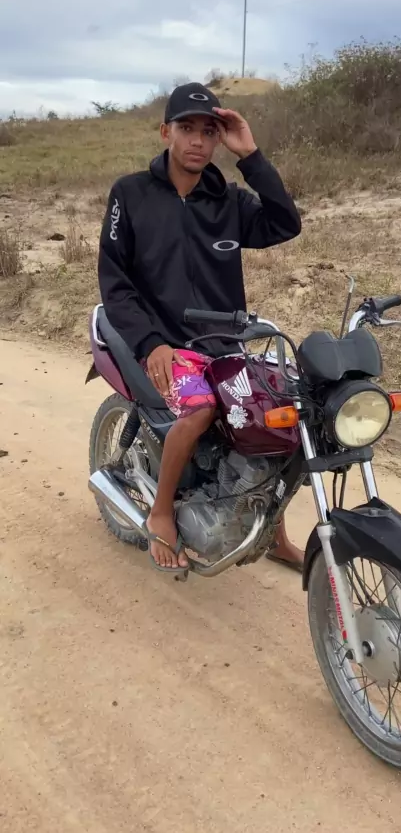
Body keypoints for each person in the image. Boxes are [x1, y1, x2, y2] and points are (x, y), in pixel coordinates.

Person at [98, 82, 304, 572]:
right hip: (165, 343)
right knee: (200, 410)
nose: (197, 140)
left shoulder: (229, 200)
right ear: (165, 131)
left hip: (224, 344)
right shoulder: (131, 193)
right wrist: (152, 343)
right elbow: (115, 280)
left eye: (208, 131)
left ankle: (272, 533)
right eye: (186, 128)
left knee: (278, 418)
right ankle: (161, 513)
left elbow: (285, 224)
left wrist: (251, 156)